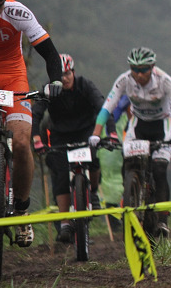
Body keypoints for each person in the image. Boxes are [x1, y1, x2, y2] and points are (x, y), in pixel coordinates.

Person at [0, 0, 63, 248]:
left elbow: (50, 54)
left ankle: (22, 210)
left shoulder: (16, 12)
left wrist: (55, 81)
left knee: (23, 141)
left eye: (0, 4)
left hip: (13, 75)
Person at [95, 47, 171, 238]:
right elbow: (108, 106)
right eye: (134, 69)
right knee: (127, 164)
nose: (138, 74)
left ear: (152, 67)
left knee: (160, 170)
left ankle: (162, 218)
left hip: (162, 127)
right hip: (137, 126)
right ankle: (129, 196)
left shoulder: (164, 80)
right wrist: (96, 133)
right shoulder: (125, 79)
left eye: (143, 69)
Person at [31, 53, 118, 243]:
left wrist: (111, 132)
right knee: (62, 175)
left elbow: (102, 108)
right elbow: (36, 113)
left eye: (67, 73)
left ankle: (92, 192)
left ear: (73, 72)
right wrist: (36, 139)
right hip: (60, 134)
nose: (64, 78)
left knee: (93, 161)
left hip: (85, 131)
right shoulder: (49, 89)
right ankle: (65, 223)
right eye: (60, 75)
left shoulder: (85, 85)